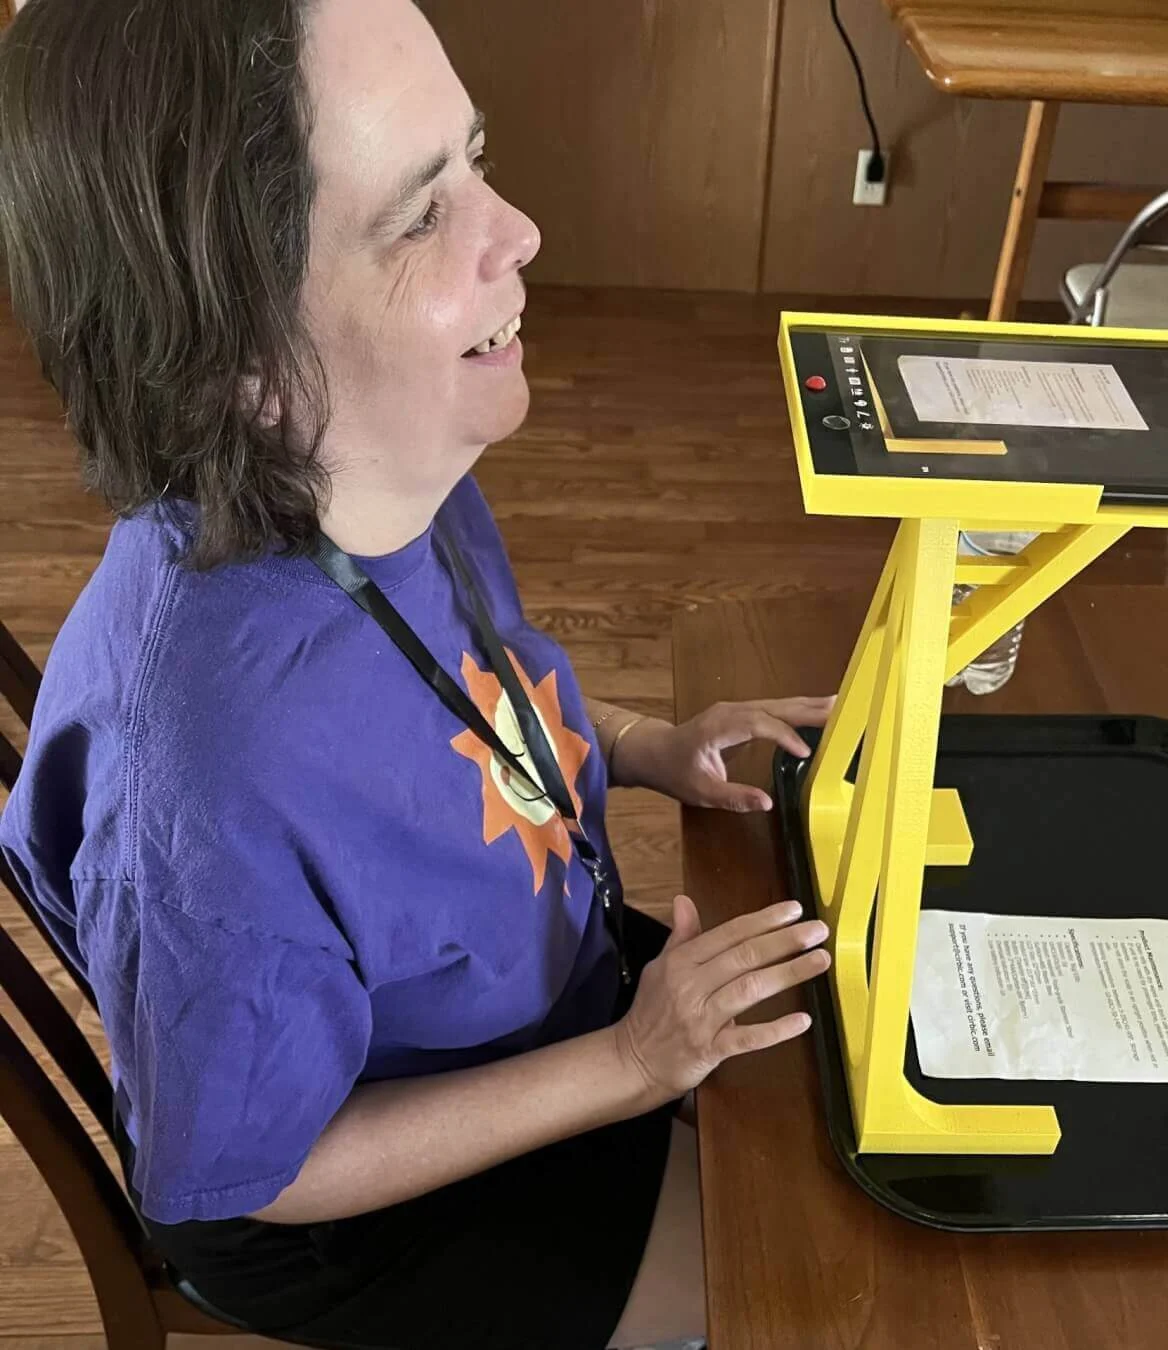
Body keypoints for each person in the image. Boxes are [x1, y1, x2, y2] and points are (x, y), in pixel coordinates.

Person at [0, 1, 834, 1346]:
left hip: (506, 1004)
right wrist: (628, 1065)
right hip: (352, 1196)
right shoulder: (213, 787)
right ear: (243, 367)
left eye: (476, 156)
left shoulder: (378, 465)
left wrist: (637, 739)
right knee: (807, 1288)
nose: (519, 231)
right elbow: (266, 1170)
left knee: (821, 1113)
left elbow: (458, 696)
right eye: (416, 216)